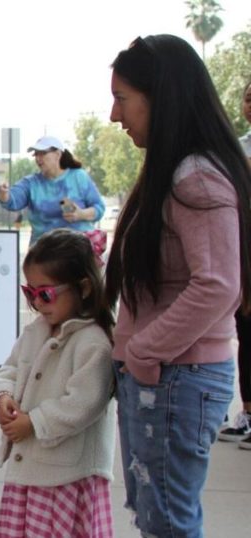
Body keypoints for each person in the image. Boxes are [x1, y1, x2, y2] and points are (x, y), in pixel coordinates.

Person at [106, 35, 251, 536]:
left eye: (122, 99)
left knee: (167, 523)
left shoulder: (195, 176)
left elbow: (218, 285)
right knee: (159, 520)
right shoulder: (178, 172)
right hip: (165, 377)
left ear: (159, 96)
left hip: (175, 379)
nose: (113, 115)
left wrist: (144, 352)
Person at [0, 229, 116, 537]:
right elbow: (10, 368)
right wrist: (3, 395)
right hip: (30, 471)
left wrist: (33, 422)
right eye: (29, 292)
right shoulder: (37, 330)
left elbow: (85, 403)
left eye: (44, 293)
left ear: (84, 287)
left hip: (68, 479)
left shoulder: (93, 342)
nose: (36, 303)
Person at [0, 136, 105, 244]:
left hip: (77, 248)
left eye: (43, 153)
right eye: (36, 154)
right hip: (43, 250)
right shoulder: (31, 183)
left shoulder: (79, 176)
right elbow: (13, 200)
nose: (38, 158)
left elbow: (99, 207)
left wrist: (81, 214)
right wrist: (4, 194)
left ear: (58, 154)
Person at [220, 78, 251, 450]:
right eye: (246, 97)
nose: (249, 104)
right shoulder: (237, 146)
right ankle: (246, 413)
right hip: (244, 251)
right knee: (245, 333)